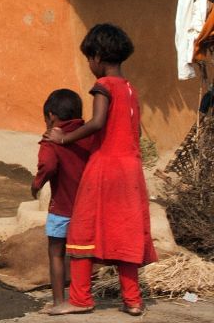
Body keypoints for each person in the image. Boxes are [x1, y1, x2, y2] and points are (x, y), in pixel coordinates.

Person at [44, 24, 157, 317]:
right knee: (125, 232)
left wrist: (64, 138)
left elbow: (96, 122)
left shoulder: (103, 86)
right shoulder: (130, 88)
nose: (89, 65)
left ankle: (80, 299)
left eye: (88, 59)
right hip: (131, 170)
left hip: (106, 167)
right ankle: (133, 300)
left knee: (82, 228)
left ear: (97, 56)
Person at [31, 89, 95, 313]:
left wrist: (37, 184)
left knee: (56, 252)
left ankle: (59, 302)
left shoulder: (51, 140)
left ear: (51, 116)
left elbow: (48, 166)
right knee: (83, 252)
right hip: (88, 208)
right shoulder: (89, 134)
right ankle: (80, 296)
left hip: (62, 208)